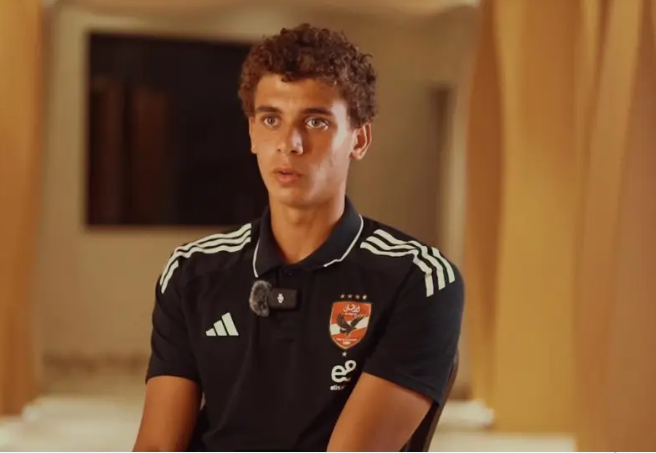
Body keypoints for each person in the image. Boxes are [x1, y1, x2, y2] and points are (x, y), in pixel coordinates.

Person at [133, 23, 464, 452]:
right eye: (271, 119)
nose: (289, 143)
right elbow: (158, 446)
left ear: (359, 139)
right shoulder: (192, 272)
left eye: (316, 121)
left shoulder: (417, 279)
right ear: (252, 132)